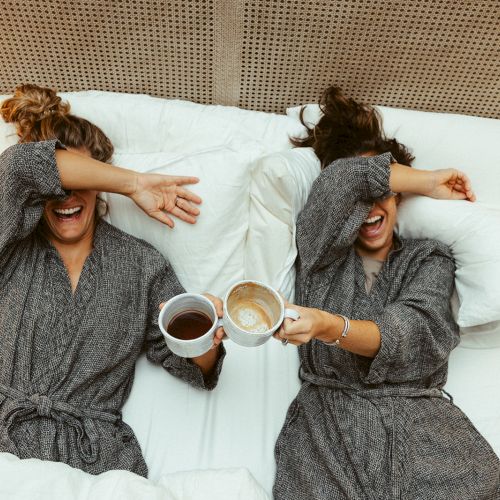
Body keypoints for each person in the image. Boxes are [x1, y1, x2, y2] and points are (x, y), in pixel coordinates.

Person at [272, 87, 499, 499]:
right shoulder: (321, 252)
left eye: (381, 191)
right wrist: (428, 180)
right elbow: (339, 181)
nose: (369, 208)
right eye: (356, 200)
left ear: (397, 193)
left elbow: (414, 330)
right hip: (328, 432)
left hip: (422, 428)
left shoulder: (429, 258)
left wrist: (329, 325)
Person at [0, 84, 225, 476]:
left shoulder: (141, 265)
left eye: (82, 182)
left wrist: (202, 334)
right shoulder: (11, 241)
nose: (67, 197)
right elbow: (20, 166)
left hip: (95, 460)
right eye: (59, 182)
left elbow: (197, 368)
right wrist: (134, 183)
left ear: (100, 185)